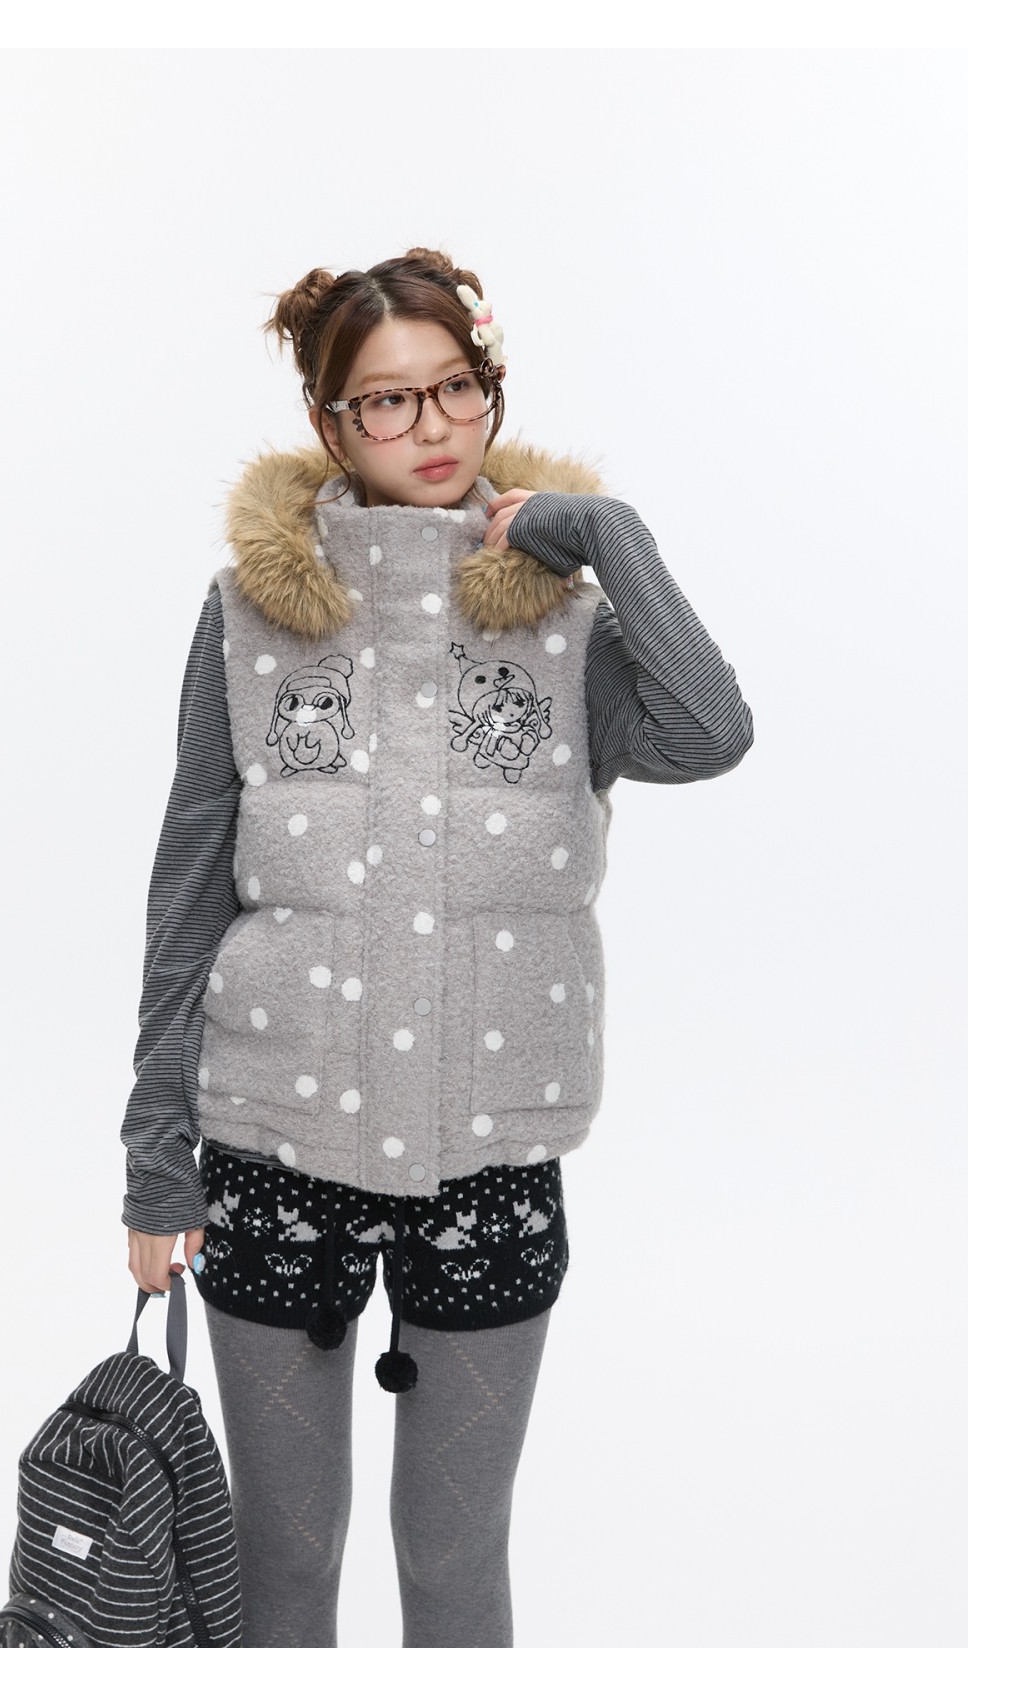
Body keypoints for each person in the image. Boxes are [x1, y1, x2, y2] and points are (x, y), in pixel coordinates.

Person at [120, 246, 755, 1648]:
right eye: (388, 401)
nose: (432, 427)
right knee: (284, 1565)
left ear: (491, 387)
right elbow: (188, 886)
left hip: (491, 1156)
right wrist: (155, 1155)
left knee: (456, 1561)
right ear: (330, 424)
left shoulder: (571, 618)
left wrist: (610, 537)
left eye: (456, 388)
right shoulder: (245, 616)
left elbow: (710, 732)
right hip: (269, 1148)